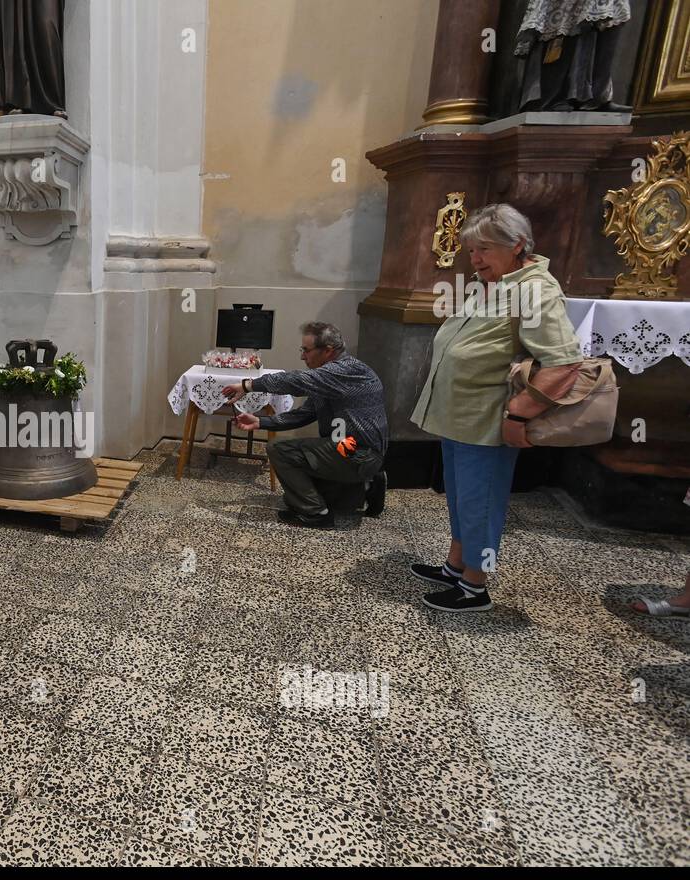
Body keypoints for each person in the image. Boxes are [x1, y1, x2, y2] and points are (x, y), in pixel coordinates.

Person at [410, 203, 583, 613]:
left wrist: (519, 413)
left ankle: (475, 585)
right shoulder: (496, 283)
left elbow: (564, 361)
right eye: (472, 251)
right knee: (460, 496)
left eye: (485, 249)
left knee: (481, 501)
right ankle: (456, 566)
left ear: (517, 245)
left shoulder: (534, 290)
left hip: (487, 418)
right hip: (460, 414)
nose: (476, 259)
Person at [221, 321, 388, 528]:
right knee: (293, 498)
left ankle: (317, 514)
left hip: (357, 452)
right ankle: (367, 485)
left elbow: (295, 381)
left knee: (280, 450)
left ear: (328, 351)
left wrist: (248, 385)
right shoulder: (333, 376)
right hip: (352, 448)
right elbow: (305, 414)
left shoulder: (343, 371)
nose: (302, 356)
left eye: (306, 350)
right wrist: (261, 422)